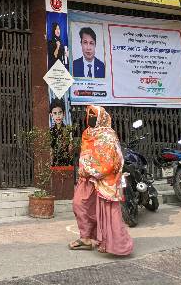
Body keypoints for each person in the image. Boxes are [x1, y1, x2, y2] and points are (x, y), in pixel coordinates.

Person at [69, 105, 133, 255]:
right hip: (87, 178)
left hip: (105, 179)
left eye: (94, 116)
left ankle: (117, 245)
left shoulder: (109, 135)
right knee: (79, 204)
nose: (90, 118)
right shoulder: (87, 133)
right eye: (89, 115)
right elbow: (86, 154)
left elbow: (114, 158)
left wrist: (95, 170)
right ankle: (86, 237)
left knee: (109, 212)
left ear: (101, 118)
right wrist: (86, 169)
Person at [49, 98, 72, 166]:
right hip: (55, 163)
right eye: (55, 113)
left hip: (66, 162)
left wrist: (70, 163)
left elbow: (70, 148)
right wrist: (51, 163)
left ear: (63, 114)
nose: (58, 116)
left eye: (60, 113)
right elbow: (51, 149)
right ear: (51, 115)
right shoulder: (51, 131)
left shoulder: (68, 130)